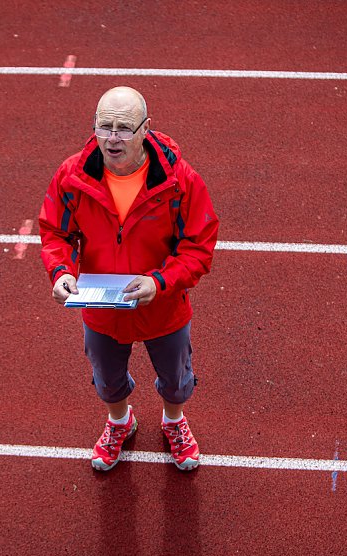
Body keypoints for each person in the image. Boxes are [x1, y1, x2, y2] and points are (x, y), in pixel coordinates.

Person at [39, 86, 218, 471]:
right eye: (105, 126)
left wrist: (161, 282)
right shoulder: (72, 177)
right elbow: (55, 232)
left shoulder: (180, 181)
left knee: (176, 378)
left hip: (163, 304)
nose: (113, 138)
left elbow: (199, 245)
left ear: (145, 129)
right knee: (106, 378)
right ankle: (120, 421)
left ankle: (174, 422)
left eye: (124, 127)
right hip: (101, 305)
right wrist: (61, 272)